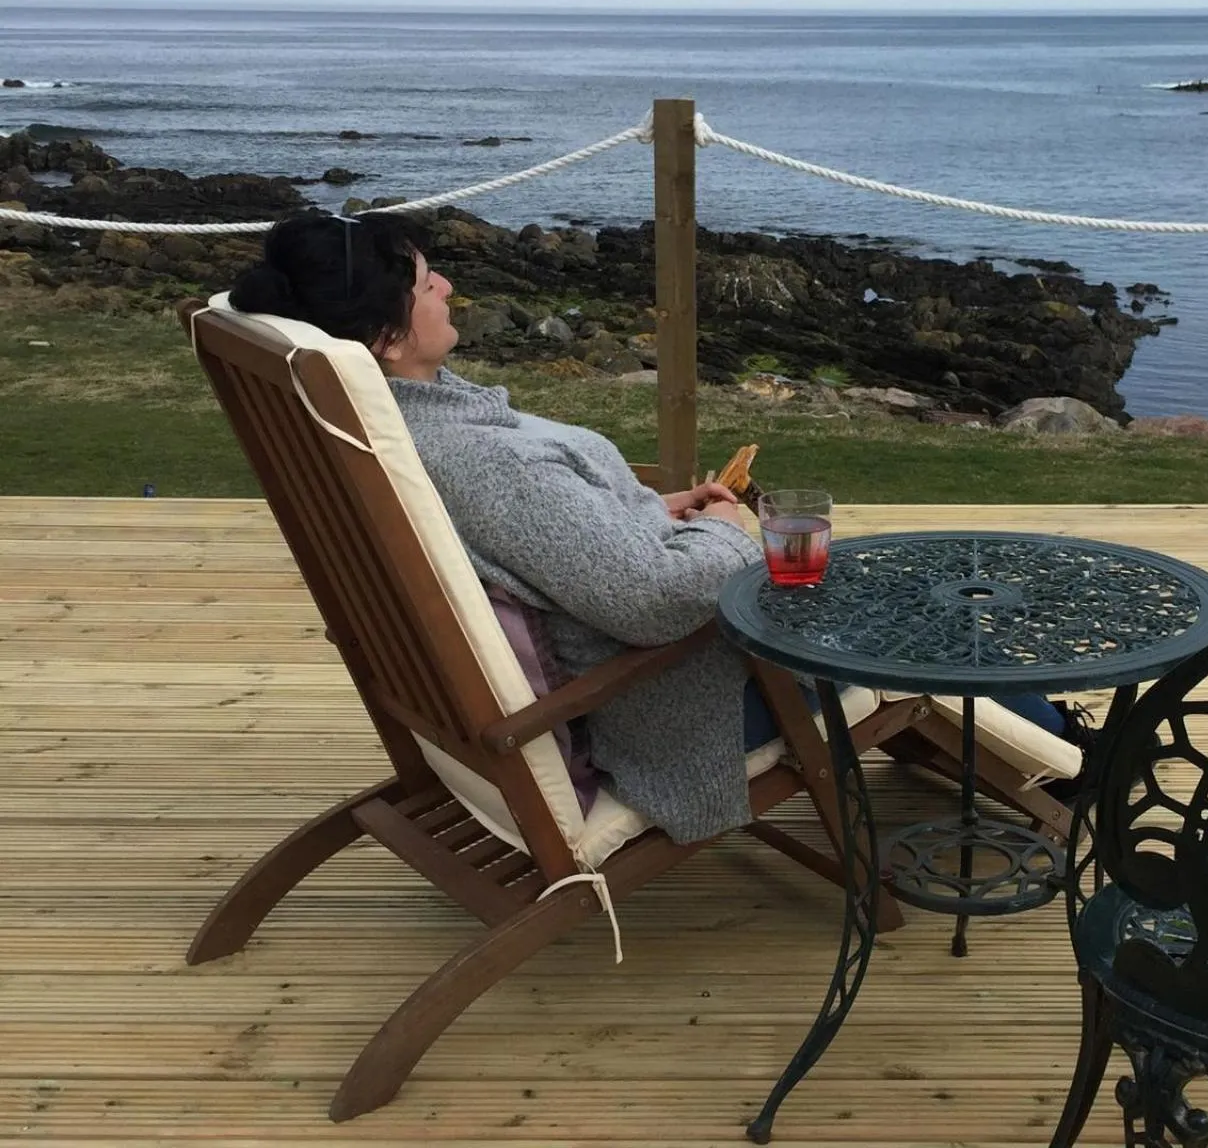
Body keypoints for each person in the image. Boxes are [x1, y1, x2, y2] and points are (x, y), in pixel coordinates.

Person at [229, 210, 1086, 842]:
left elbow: (558, 545)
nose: (448, 285)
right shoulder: (479, 461)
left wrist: (649, 509)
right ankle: (1075, 766)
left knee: (876, 589)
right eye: (425, 284)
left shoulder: (388, 424)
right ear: (383, 336)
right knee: (900, 604)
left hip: (618, 641)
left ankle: (1038, 731)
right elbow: (648, 601)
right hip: (677, 706)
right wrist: (726, 533)